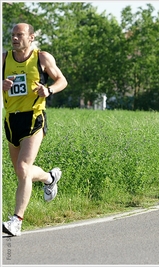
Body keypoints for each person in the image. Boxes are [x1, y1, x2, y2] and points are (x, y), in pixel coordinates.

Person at [2, 23, 68, 237]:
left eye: (19, 35)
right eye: (13, 35)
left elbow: (62, 80)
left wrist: (48, 90)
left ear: (31, 38)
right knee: (22, 173)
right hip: (11, 120)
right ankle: (49, 178)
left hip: (34, 117)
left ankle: (16, 221)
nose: (14, 38)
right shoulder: (4, 59)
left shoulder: (42, 58)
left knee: (23, 167)